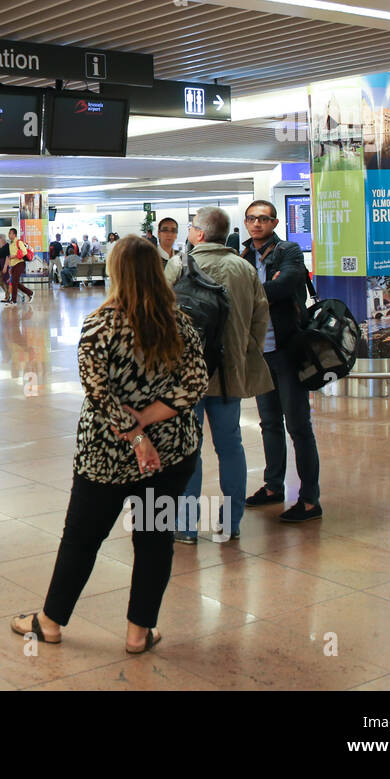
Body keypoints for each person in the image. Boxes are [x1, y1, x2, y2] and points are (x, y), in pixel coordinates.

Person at [10, 235, 208, 651]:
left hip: (105, 455)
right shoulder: (180, 321)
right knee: (155, 539)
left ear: (116, 272)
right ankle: (139, 633)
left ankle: (50, 622)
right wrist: (150, 423)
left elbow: (97, 392)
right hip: (172, 453)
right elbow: (195, 383)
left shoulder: (100, 325)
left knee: (82, 538)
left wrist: (135, 433)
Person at [164, 207, 272, 543]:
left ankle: (185, 525)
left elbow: (161, 313)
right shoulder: (244, 268)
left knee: (187, 447)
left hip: (185, 376)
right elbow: (260, 318)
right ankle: (231, 522)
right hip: (228, 374)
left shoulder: (179, 265)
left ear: (199, 233)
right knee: (230, 446)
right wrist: (241, 351)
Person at [241, 200, 323, 523]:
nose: (257, 224)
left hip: (288, 351)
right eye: (251, 218)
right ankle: (273, 485)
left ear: (275, 222)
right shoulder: (244, 254)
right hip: (260, 354)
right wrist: (264, 288)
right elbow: (248, 290)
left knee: (299, 426)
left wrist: (253, 290)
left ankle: (310, 499)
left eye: (263, 219)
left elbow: (286, 284)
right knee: (269, 423)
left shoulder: (289, 251)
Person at [4, 227, 33, 304]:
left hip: (20, 264)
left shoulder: (19, 242)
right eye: (9, 233)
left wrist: (14, 256)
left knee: (14, 282)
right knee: (14, 282)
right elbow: (10, 256)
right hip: (14, 265)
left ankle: (14, 301)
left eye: (10, 233)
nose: (9, 235)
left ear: (14, 234)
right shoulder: (11, 244)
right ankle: (30, 293)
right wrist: (10, 266)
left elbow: (24, 252)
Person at [0, 234, 11, 299]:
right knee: (0, 280)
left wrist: (5, 266)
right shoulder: (1, 246)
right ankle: (7, 294)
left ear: (1, 238)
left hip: (4, 265)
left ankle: (7, 295)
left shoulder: (7, 246)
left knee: (5, 280)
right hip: (0, 265)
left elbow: (7, 256)